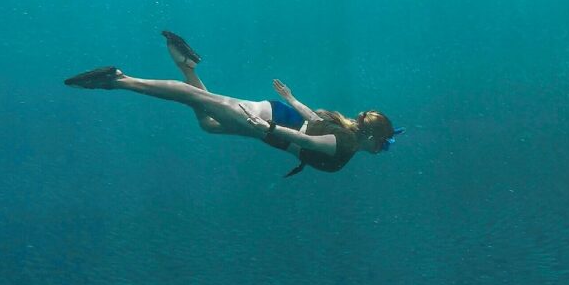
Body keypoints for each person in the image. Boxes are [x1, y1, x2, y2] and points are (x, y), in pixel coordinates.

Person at [64, 31, 403, 177]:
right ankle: (119, 79)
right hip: (272, 123)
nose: (382, 150)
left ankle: (186, 65)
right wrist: (270, 125)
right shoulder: (343, 144)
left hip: (275, 122)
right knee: (194, 97)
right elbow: (309, 140)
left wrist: (290, 100)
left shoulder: (343, 134)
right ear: (373, 139)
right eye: (385, 144)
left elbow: (316, 122)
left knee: (208, 123)